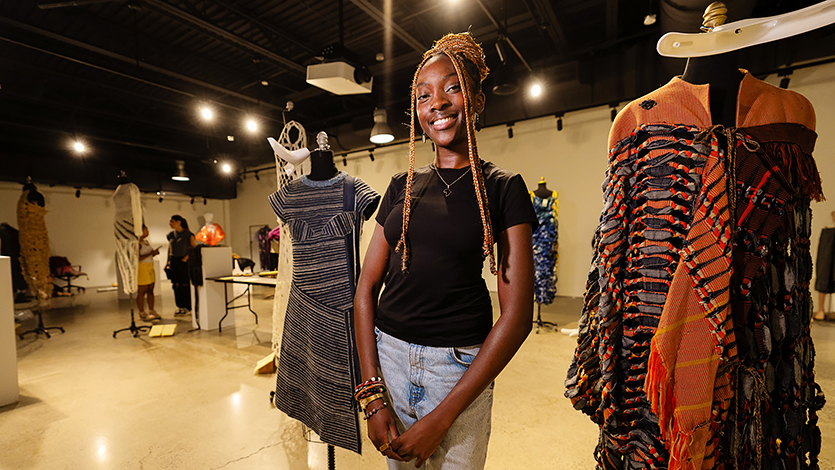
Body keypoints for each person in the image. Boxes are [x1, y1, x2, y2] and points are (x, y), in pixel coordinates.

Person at [354, 32, 536, 469]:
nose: (436, 103)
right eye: (423, 95)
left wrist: (442, 418)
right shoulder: (402, 185)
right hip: (389, 358)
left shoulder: (502, 187)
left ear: (475, 99)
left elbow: (517, 317)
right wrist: (373, 394)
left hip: (457, 369)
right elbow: (365, 289)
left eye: (451, 88)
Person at [166, 215, 195, 315]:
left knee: (185, 284)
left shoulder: (188, 234)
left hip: (184, 261)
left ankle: (188, 306)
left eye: (172, 221)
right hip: (174, 261)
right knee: (176, 284)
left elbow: (193, 247)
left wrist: (187, 257)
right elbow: (170, 248)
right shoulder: (170, 235)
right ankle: (180, 306)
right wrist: (168, 262)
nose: (170, 224)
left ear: (178, 222)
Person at [137, 224, 161, 321]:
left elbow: (148, 255)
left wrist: (154, 254)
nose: (148, 232)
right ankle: (142, 311)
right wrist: (150, 253)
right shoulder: (137, 243)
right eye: (146, 230)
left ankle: (151, 310)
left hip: (150, 266)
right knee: (142, 290)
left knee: (151, 289)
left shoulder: (146, 242)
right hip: (142, 268)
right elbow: (137, 258)